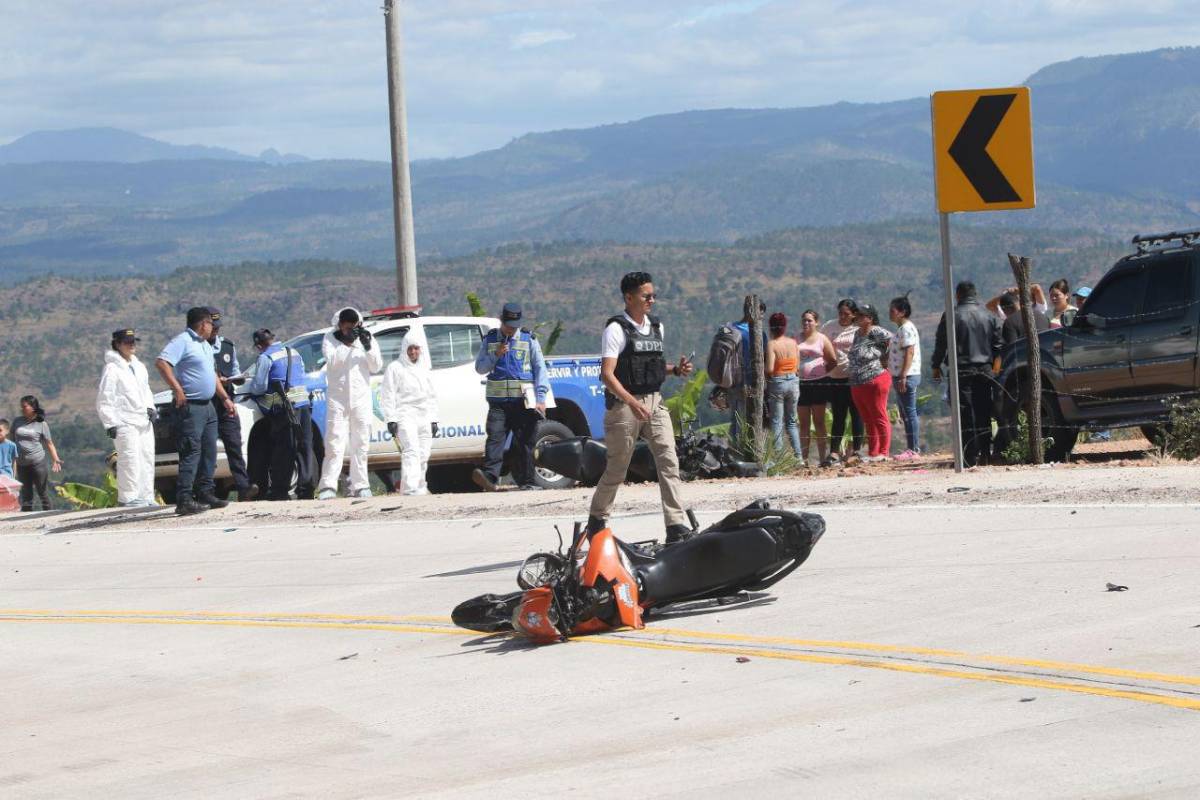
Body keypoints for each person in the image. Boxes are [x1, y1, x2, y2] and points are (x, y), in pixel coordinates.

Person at [587, 271, 694, 542]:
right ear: (629, 297)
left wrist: (675, 370)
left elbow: (652, 367)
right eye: (647, 296)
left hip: (655, 402)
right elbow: (607, 374)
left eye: (653, 295)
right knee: (617, 468)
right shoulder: (616, 329)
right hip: (625, 405)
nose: (652, 300)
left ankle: (675, 524)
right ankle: (597, 521)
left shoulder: (657, 327)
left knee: (669, 460)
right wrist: (632, 402)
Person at [157, 306, 235, 516]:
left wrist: (225, 398)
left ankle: (205, 492)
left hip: (208, 405)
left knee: (209, 450)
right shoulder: (183, 341)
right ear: (202, 324)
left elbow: (211, 375)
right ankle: (184, 498)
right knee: (191, 451)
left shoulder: (205, 346)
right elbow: (162, 363)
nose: (213, 327)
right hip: (191, 406)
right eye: (211, 323)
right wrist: (177, 390)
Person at [472, 302, 550, 492]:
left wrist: (541, 399)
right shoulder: (490, 339)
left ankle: (528, 481)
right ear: (501, 320)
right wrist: (496, 355)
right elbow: (480, 368)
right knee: (495, 438)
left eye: (514, 326)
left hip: (523, 402)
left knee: (525, 442)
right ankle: (490, 478)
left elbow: (540, 369)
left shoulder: (528, 338)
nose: (510, 329)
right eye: (507, 325)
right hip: (498, 403)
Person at [932, 281, 1003, 468]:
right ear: (975, 294)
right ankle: (986, 453)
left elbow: (941, 344)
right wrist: (994, 371)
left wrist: (935, 365)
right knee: (984, 412)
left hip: (961, 371)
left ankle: (969, 457)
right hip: (985, 370)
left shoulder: (951, 316)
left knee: (965, 413)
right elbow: (998, 347)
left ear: (957, 295)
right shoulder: (989, 316)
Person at [317, 307, 382, 500]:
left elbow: (376, 366)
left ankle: (360, 485)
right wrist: (348, 342)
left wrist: (367, 346)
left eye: (352, 328)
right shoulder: (331, 339)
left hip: (361, 398)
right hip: (338, 399)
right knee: (334, 443)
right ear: (340, 325)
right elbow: (332, 361)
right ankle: (328, 486)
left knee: (361, 443)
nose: (349, 331)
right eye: (346, 328)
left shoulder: (365, 337)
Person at [246, 328, 314, 501]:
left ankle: (279, 490)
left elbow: (259, 387)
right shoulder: (294, 352)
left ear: (259, 345)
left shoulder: (265, 357)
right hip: (304, 404)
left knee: (285, 450)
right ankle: (306, 489)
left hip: (284, 408)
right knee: (304, 447)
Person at [95, 328, 157, 507]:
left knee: (146, 458)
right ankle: (128, 497)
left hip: (143, 421)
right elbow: (105, 397)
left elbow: (146, 391)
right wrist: (110, 423)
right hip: (124, 421)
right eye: (127, 342)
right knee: (129, 459)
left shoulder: (139, 366)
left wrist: (150, 408)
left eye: (133, 342)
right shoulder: (112, 369)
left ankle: (146, 496)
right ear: (117, 345)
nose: (131, 345)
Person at [207, 308, 257, 502]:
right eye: (212, 327)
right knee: (208, 447)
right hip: (208, 402)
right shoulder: (198, 347)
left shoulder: (227, 346)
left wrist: (234, 379)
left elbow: (236, 372)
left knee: (234, 443)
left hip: (227, 400)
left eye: (217, 327)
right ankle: (208, 490)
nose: (215, 331)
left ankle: (243, 486)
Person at [381, 329, 439, 496]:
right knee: (411, 450)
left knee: (424, 452)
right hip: (405, 414)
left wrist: (434, 419)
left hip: (424, 415)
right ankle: (410, 486)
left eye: (416, 348)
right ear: (404, 349)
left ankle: (420, 485)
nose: (413, 352)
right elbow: (388, 394)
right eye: (410, 348)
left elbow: (431, 395)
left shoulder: (424, 368)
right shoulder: (395, 368)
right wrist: (391, 419)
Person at [818, 298, 864, 465]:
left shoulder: (858, 329)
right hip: (835, 377)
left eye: (846, 314)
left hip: (854, 378)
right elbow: (820, 342)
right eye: (840, 313)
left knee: (856, 414)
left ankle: (857, 450)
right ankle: (835, 452)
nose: (843, 317)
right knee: (838, 415)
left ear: (853, 315)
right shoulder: (829, 327)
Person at [847, 305, 892, 462]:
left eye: (861, 315)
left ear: (870, 318)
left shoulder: (876, 331)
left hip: (875, 378)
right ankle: (874, 452)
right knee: (867, 418)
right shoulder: (857, 334)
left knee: (879, 415)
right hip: (858, 382)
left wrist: (885, 357)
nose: (857, 317)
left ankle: (884, 452)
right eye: (857, 315)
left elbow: (893, 340)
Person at [795, 310, 837, 466]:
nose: (806, 323)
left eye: (809, 320)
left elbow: (832, 360)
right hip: (801, 384)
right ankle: (804, 459)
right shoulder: (797, 338)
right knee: (804, 423)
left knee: (819, 421)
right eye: (804, 320)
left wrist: (821, 372)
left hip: (819, 384)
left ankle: (822, 457)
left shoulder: (822, 339)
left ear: (816, 322)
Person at [11, 396, 63, 512]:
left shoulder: (41, 424)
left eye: (24, 406)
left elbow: (49, 443)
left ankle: (48, 514)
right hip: (21, 463)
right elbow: (12, 441)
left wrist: (56, 459)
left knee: (42, 491)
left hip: (37, 462)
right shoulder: (17, 421)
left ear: (33, 407)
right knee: (26, 493)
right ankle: (26, 520)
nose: (22, 409)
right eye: (21, 407)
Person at [887, 294, 922, 459]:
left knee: (909, 412)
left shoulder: (907, 329)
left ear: (901, 312)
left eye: (893, 310)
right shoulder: (901, 329)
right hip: (900, 375)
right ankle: (911, 447)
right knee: (905, 412)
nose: (890, 313)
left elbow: (909, 351)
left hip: (907, 376)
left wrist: (903, 375)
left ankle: (914, 449)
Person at [729, 302, 768, 446]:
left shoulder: (731, 328)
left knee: (735, 416)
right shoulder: (759, 333)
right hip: (750, 381)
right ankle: (746, 449)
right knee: (749, 417)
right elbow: (764, 357)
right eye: (761, 314)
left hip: (732, 379)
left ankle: (734, 448)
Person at [764, 312, 801, 457]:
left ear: (771, 327)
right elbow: (797, 366)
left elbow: (770, 368)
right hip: (793, 382)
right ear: (785, 327)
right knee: (791, 422)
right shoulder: (793, 343)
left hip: (778, 382)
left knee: (777, 422)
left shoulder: (772, 344)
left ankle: (779, 458)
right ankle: (799, 457)